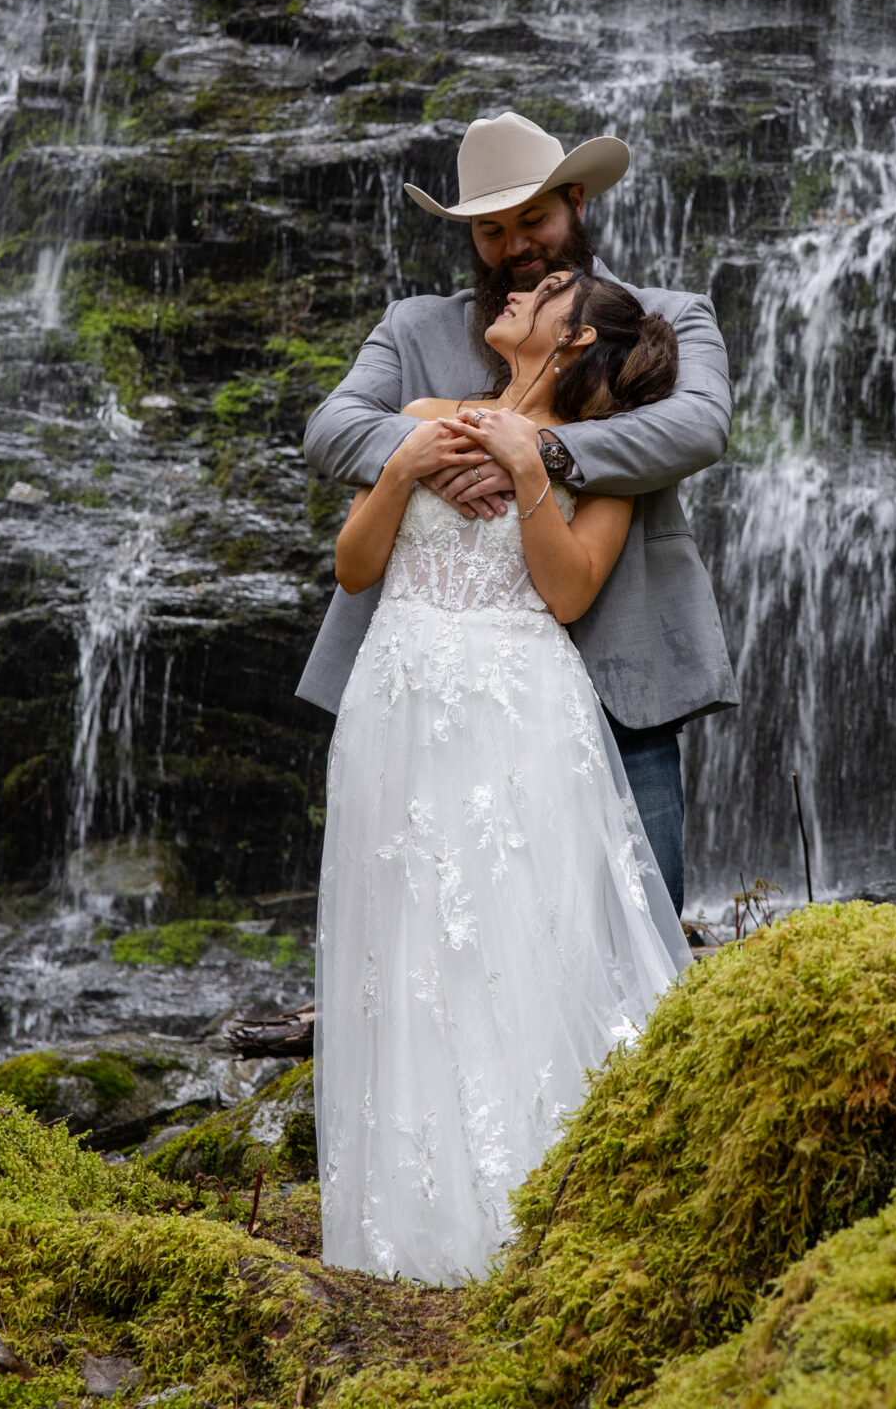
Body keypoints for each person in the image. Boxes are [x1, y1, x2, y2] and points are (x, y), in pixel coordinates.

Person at [314, 266, 695, 1284]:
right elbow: (353, 566)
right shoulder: (430, 409)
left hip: (520, 704)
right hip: (397, 696)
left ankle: (546, 1211)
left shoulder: (605, 463)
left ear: (572, 343)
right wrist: (407, 467)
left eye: (551, 288)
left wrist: (530, 467)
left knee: (525, 935)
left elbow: (569, 591)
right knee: (403, 945)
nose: (522, 285)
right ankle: (413, 1219)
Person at [297, 109, 736, 913]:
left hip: (620, 680)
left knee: (642, 931)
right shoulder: (413, 327)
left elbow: (696, 426)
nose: (515, 247)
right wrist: (440, 455)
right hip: (428, 693)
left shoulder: (660, 319)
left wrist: (538, 455)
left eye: (531, 219)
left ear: (575, 202)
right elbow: (332, 429)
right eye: (490, 231)